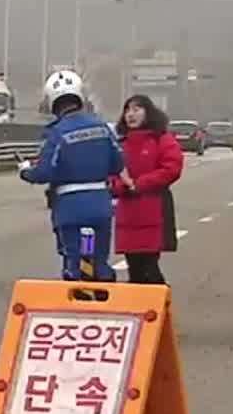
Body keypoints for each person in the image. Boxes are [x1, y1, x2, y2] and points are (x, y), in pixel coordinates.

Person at [19, 69, 124, 281]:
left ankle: (77, 296)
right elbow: (118, 163)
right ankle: (104, 293)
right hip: (100, 204)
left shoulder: (57, 132)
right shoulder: (101, 127)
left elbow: (45, 172)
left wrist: (25, 172)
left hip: (70, 207)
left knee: (72, 262)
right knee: (100, 261)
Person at [110, 94, 184, 285]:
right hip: (127, 215)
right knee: (134, 271)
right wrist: (121, 186)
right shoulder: (120, 144)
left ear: (148, 112)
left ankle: (160, 309)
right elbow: (110, 174)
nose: (130, 115)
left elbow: (171, 169)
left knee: (150, 269)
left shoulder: (161, 139)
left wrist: (139, 184)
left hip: (154, 212)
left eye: (136, 109)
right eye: (127, 110)